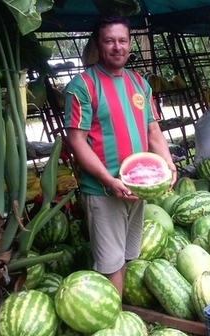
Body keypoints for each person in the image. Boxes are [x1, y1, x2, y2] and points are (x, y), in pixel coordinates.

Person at [64, 15, 177, 297]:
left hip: (138, 188)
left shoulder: (140, 83)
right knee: (110, 264)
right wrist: (108, 179)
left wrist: (168, 164)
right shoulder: (82, 86)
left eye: (122, 40)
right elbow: (76, 142)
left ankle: (120, 310)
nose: (117, 47)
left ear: (130, 44)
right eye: (109, 41)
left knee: (127, 256)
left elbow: (153, 130)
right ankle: (115, 320)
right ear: (98, 45)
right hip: (104, 191)